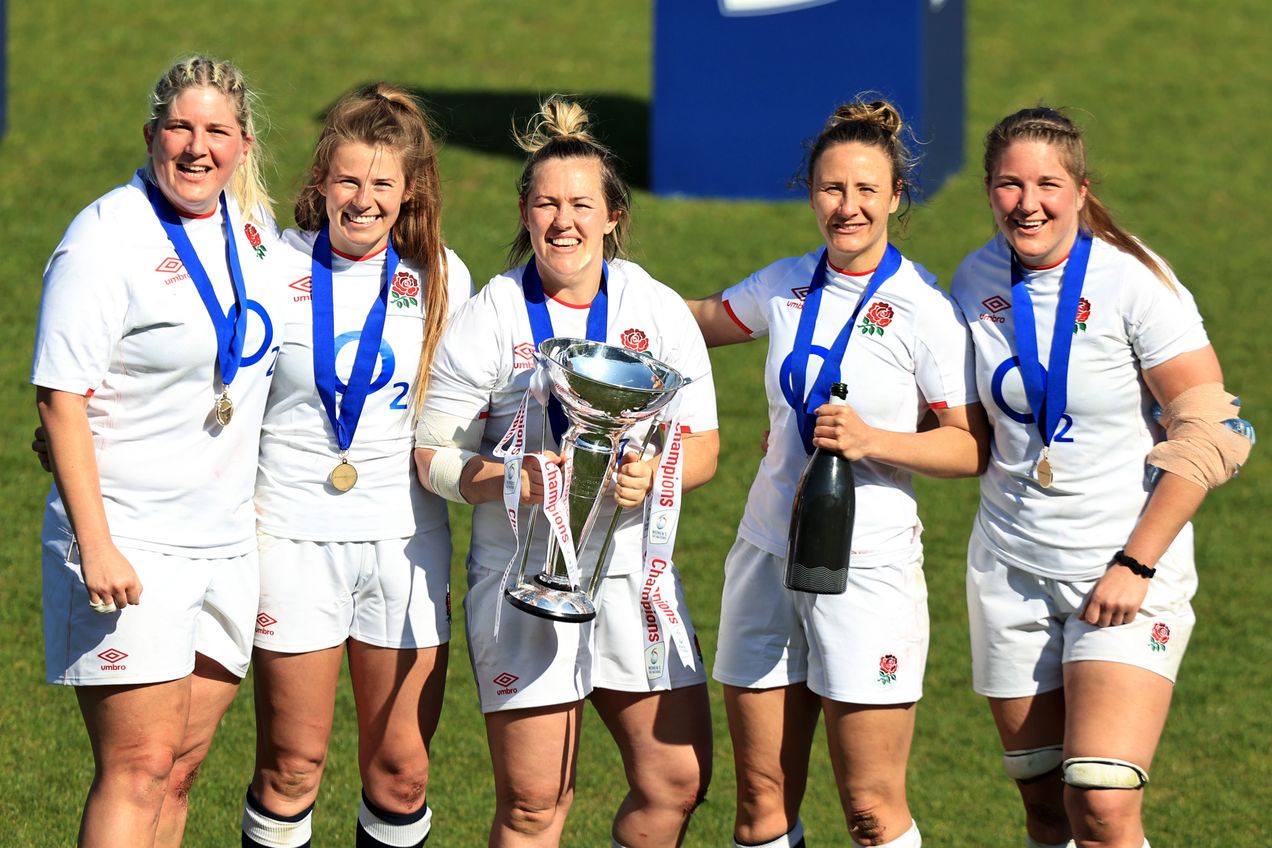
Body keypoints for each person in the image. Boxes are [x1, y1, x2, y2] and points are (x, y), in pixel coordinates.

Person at [413, 96, 718, 848]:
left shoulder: (657, 309)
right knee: (534, 805)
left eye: (582, 203)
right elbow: (433, 459)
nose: (564, 221)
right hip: (525, 580)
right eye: (546, 203)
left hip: (630, 575)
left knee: (674, 782)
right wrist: (513, 479)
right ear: (524, 212)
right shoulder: (490, 317)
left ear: (613, 214)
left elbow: (704, 445)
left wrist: (654, 474)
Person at [949, 107, 1254, 848]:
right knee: (1045, 805)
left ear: (1081, 191)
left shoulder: (1133, 282)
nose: (1029, 203)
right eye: (1009, 185)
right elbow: (963, 426)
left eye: (1048, 184)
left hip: (1120, 573)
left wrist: (1136, 560)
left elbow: (1217, 429)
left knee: (1103, 804)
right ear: (989, 192)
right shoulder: (975, 278)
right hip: (1010, 569)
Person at [688, 98, 988, 848]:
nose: (846, 207)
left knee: (869, 808)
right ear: (810, 192)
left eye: (864, 191)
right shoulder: (787, 284)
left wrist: (873, 439)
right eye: (830, 189)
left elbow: (968, 447)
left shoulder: (923, 310)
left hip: (869, 568)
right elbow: (700, 321)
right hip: (766, 552)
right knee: (759, 800)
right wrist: (596, 285)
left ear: (894, 198)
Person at [32, 55, 284, 847]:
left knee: (180, 767)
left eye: (217, 130)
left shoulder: (251, 229)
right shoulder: (105, 239)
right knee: (137, 765)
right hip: (130, 540)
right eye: (180, 126)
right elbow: (59, 397)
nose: (196, 146)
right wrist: (96, 544)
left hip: (225, 545)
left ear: (243, 145)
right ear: (150, 134)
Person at [241, 83, 472, 848]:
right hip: (292, 540)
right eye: (348, 180)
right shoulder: (272, 264)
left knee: (401, 771)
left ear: (408, 193)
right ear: (320, 184)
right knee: (292, 766)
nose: (363, 199)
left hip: (404, 543)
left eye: (382, 184)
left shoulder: (442, 276)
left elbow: (478, 403)